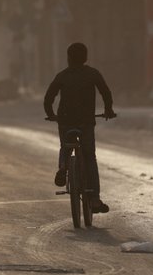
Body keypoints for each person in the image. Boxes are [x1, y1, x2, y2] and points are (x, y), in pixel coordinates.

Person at [43, 43, 116, 213]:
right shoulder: (92, 74)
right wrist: (108, 110)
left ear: (68, 58)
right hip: (86, 122)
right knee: (90, 157)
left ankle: (62, 167)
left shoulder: (62, 76)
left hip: (66, 120)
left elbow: (48, 98)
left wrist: (51, 114)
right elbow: (106, 92)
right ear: (85, 58)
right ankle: (95, 200)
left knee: (65, 146)